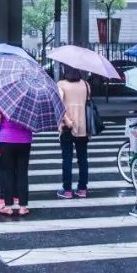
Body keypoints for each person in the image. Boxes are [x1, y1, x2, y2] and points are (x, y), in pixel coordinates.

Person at [0, 105, 32, 216]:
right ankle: (23, 207)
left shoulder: (3, 101)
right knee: (22, 173)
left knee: (8, 172)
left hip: (6, 140)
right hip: (25, 140)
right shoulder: (30, 103)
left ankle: (8, 207)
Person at [56, 65, 90, 199]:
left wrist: (67, 120)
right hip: (83, 126)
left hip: (67, 126)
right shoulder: (86, 85)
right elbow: (86, 102)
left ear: (65, 70)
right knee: (83, 159)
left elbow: (58, 104)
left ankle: (67, 190)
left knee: (67, 159)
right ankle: (82, 188)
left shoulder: (61, 84)